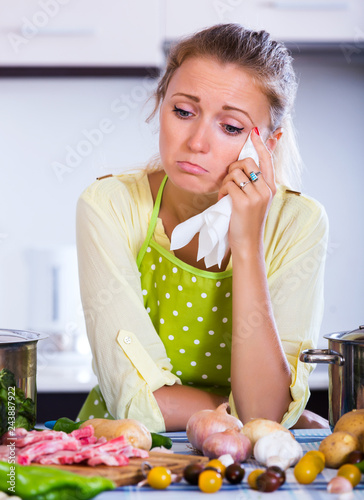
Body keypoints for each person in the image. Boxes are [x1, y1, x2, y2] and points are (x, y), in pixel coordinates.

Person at [76, 24, 329, 432]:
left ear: (269, 143)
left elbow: (265, 413)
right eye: (183, 111)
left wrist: (247, 243)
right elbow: (139, 406)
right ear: (161, 106)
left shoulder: (298, 224)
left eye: (230, 127)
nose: (196, 142)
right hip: (127, 455)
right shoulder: (110, 206)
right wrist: (255, 412)